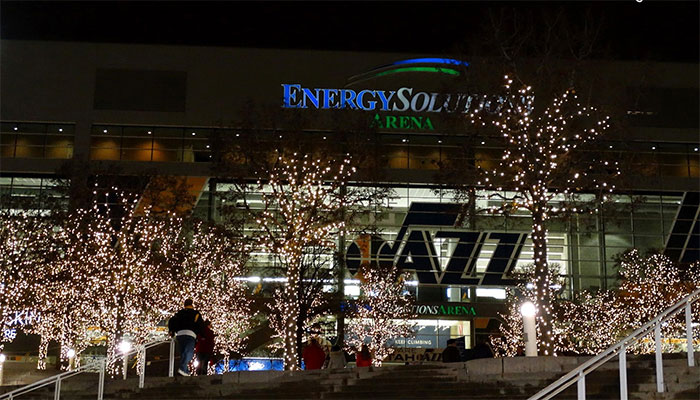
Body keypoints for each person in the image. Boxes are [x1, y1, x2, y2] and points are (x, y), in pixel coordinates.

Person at [168, 299, 205, 376]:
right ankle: (182, 368)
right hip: (190, 334)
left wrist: (172, 330)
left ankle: (185, 371)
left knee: (183, 353)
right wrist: (201, 335)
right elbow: (200, 325)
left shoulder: (179, 313)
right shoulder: (195, 313)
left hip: (180, 335)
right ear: (192, 304)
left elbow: (172, 321)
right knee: (189, 353)